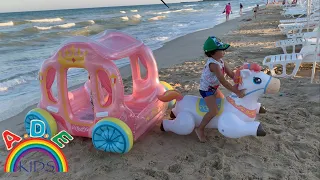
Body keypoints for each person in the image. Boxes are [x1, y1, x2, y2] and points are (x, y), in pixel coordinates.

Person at [195, 36, 246, 142]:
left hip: (214, 88)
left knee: (223, 104)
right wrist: (237, 92)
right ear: (213, 53)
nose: (224, 51)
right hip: (206, 90)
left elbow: (231, 74)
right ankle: (200, 129)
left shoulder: (221, 61)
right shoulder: (214, 65)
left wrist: (241, 81)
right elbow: (223, 82)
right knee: (214, 111)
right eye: (221, 50)